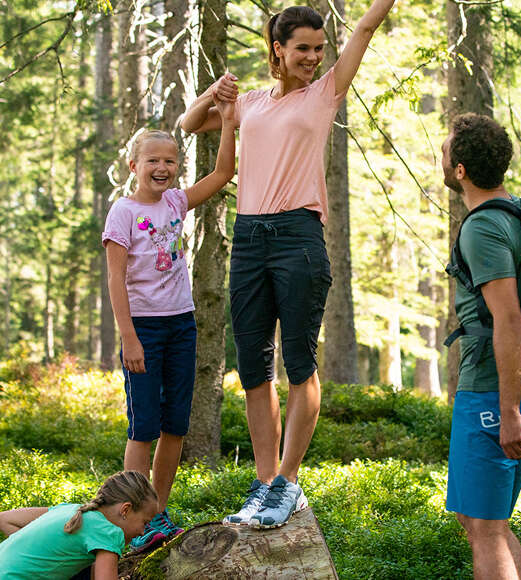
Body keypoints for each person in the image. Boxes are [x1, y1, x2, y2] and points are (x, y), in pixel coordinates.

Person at [181, 0, 396, 529]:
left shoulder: (325, 94)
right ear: (278, 49)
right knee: (254, 366)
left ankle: (289, 482)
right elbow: (189, 125)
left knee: (299, 363)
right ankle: (265, 483)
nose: (314, 58)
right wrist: (217, 92)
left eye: (320, 49)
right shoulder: (250, 103)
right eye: (303, 49)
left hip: (299, 236)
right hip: (250, 237)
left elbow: (366, 26)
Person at [102, 100, 235, 551]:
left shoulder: (177, 201)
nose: (162, 168)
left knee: (176, 425)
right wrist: (129, 338)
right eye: (153, 160)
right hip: (143, 328)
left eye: (170, 161)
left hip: (181, 325)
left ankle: (157, 514)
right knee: (144, 428)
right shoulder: (122, 212)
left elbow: (221, 176)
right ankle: (128, 518)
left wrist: (230, 122)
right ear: (134, 164)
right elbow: (115, 279)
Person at [442, 113, 521, 579]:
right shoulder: (517, 213)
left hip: (496, 389)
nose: (441, 159)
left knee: (485, 528)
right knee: (484, 522)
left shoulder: (483, 228)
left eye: (445, 152)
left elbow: (507, 318)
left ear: (461, 169)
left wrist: (509, 411)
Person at [0, 470, 158, 579]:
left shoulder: (70, 510)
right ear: (126, 510)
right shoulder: (109, 533)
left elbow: (4, 519)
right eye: (145, 522)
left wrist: (34, 560)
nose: (143, 532)